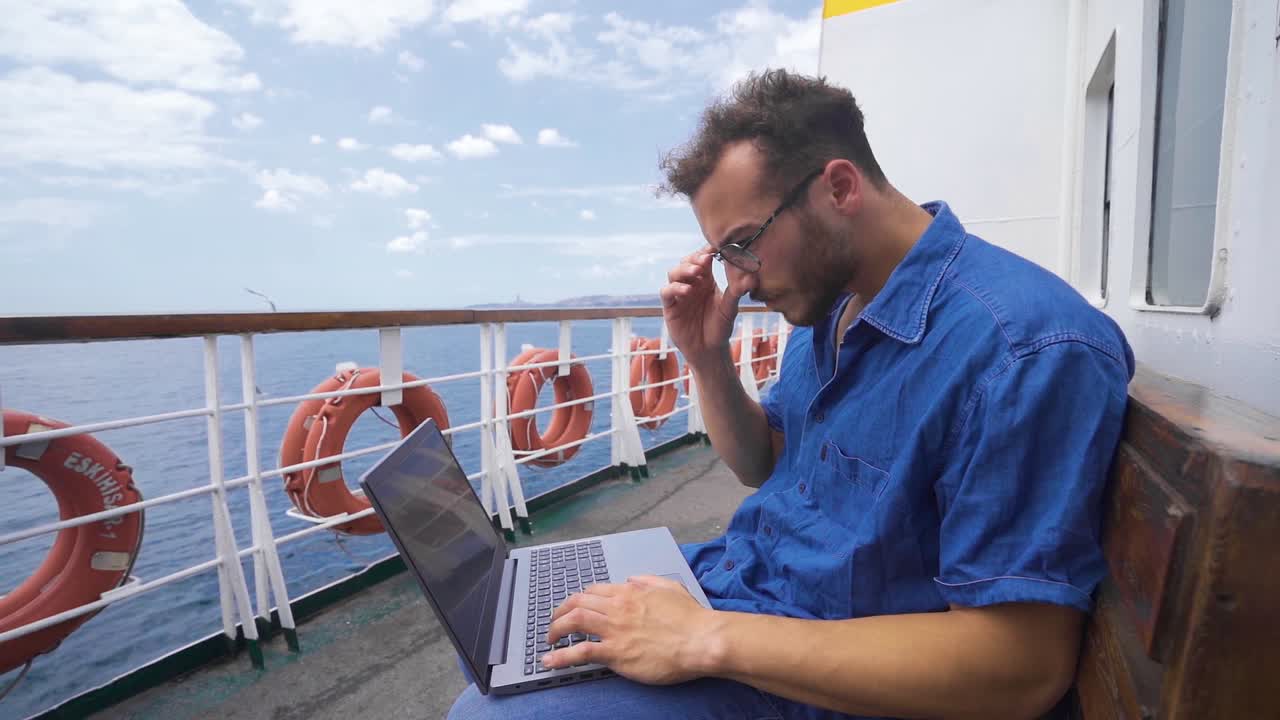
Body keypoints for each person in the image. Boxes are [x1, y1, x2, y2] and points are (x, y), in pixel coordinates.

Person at [448, 69, 1134, 720]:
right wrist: (706, 358)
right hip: (744, 592)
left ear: (839, 188)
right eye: (726, 258)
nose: (739, 280)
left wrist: (704, 640)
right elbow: (763, 462)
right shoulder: (832, 307)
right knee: (519, 645)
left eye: (745, 244)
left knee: (490, 709)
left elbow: (1022, 666)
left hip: (813, 680)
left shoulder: (1024, 350)